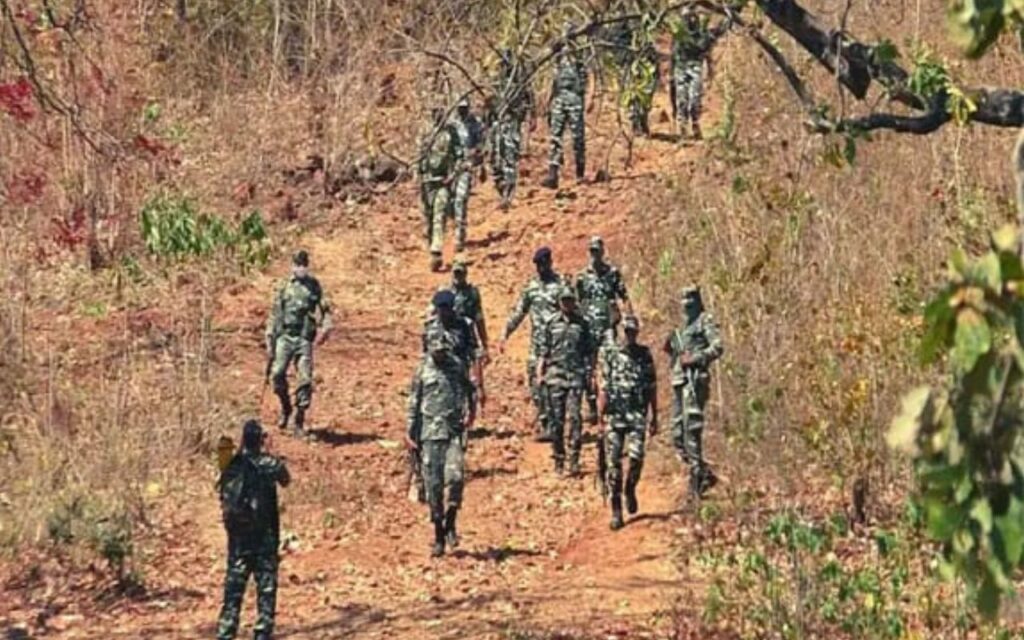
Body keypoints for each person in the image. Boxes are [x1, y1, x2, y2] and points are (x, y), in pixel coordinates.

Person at [216, 420, 291, 640]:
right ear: (260, 440)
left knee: (233, 591)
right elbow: (286, 479)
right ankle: (262, 633)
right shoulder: (269, 464)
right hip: (264, 538)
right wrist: (270, 452)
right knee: (266, 590)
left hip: (238, 541)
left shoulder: (232, 465)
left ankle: (226, 631)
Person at [405, 335, 476, 557]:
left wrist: (471, 413)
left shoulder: (456, 365)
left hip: (453, 431)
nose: (441, 356)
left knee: (455, 477)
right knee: (433, 486)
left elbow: (470, 389)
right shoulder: (422, 370)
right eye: (437, 352)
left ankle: (451, 520)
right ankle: (438, 534)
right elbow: (413, 403)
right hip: (428, 435)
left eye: (443, 352)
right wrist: (409, 433)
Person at [500, 247, 568, 441]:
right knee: (535, 382)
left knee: (555, 384)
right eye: (538, 265)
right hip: (537, 345)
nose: (540, 268)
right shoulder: (531, 287)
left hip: (557, 345)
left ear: (550, 263)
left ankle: (556, 424)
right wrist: (505, 333)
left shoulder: (561, 286)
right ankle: (545, 422)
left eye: (543, 264)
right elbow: (519, 312)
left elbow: (572, 310)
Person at [663, 285, 723, 502]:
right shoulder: (684, 326)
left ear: (698, 301)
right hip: (680, 382)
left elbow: (718, 347)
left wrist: (696, 358)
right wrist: (671, 348)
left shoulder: (704, 321)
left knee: (692, 430)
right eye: (684, 300)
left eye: (691, 300)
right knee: (677, 435)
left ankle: (696, 482)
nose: (687, 304)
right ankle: (704, 473)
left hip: (694, 382)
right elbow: (672, 352)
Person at [598, 315, 657, 530]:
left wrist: (655, 416)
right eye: (626, 331)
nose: (629, 335)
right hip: (614, 416)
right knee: (613, 465)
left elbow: (652, 387)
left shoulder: (644, 354)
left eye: (632, 332)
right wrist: (600, 418)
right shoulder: (611, 354)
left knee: (636, 458)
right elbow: (603, 386)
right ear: (621, 332)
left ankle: (630, 488)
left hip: (636, 415)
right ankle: (616, 511)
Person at [265, 250, 332, 438]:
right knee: (277, 374)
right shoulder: (283, 286)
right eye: (297, 264)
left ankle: (299, 420)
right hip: (285, 337)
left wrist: (326, 328)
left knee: (305, 379)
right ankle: (286, 407)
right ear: (292, 266)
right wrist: (270, 337)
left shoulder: (314, 286)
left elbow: (326, 310)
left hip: (304, 339)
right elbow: (274, 313)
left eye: (303, 264)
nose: (300, 268)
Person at [575, 236, 633, 424]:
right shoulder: (582, 277)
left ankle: (611, 404)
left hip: (608, 328)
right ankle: (592, 406)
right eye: (592, 251)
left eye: (597, 251)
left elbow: (624, 297)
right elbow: (576, 302)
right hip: (589, 329)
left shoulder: (612, 273)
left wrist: (629, 318)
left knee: (611, 363)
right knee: (588, 367)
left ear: (603, 252)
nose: (595, 255)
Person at [538, 286, 596, 476]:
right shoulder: (551, 323)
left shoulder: (582, 324)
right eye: (564, 300)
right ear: (559, 302)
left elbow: (590, 352)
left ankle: (574, 459)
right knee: (557, 421)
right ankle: (559, 458)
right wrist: (540, 374)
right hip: (555, 377)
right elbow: (543, 351)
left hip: (575, 377)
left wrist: (592, 374)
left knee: (575, 418)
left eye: (570, 300)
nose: (567, 304)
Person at [670, 6, 731, 140]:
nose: (690, 21)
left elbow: (710, 44)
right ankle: (683, 128)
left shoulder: (702, 34)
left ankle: (695, 123)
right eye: (686, 18)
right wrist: (671, 74)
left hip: (695, 67)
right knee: (682, 99)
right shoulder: (679, 35)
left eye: (691, 17)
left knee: (694, 99)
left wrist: (710, 68)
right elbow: (673, 54)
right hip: (681, 67)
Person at [542, 22, 588, 190]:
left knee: (578, 138)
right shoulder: (558, 54)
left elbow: (589, 76)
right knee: (555, 136)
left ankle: (580, 173)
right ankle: (553, 174)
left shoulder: (580, 53)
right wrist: (548, 100)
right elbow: (553, 79)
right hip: (559, 98)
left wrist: (589, 98)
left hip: (575, 98)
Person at [422, 289, 484, 413]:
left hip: (458, 381)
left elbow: (475, 354)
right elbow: (425, 354)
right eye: (440, 308)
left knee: (457, 416)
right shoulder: (429, 326)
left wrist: (479, 384)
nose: (443, 312)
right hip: (434, 381)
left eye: (446, 308)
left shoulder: (464, 326)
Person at [489, 48, 536, 210]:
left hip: (513, 122)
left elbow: (530, 98)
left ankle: (508, 196)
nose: (505, 66)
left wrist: (532, 116)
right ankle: (501, 189)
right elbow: (489, 102)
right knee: (495, 160)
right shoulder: (496, 80)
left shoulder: (520, 81)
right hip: (497, 124)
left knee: (510, 158)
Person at [419, 107, 463, 271]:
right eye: (435, 112)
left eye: (440, 112)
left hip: (442, 181)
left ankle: (436, 251)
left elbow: (459, 157)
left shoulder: (451, 134)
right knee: (428, 216)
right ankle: (432, 244)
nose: (437, 115)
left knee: (439, 214)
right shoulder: (426, 133)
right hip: (426, 182)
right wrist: (418, 178)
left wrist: (453, 176)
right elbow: (419, 157)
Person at [450, 97, 485, 250]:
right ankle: (454, 224)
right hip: (451, 167)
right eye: (460, 108)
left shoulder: (475, 124)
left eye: (464, 108)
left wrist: (480, 165)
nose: (462, 111)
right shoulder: (452, 124)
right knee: (450, 201)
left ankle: (459, 236)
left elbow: (481, 146)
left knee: (461, 198)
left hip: (466, 166)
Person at [450, 258, 489, 362]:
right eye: (456, 273)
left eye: (460, 273)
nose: (458, 276)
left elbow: (479, 318)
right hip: (450, 338)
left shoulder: (472, 293)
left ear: (465, 274)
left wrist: (484, 344)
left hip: (468, 338)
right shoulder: (444, 293)